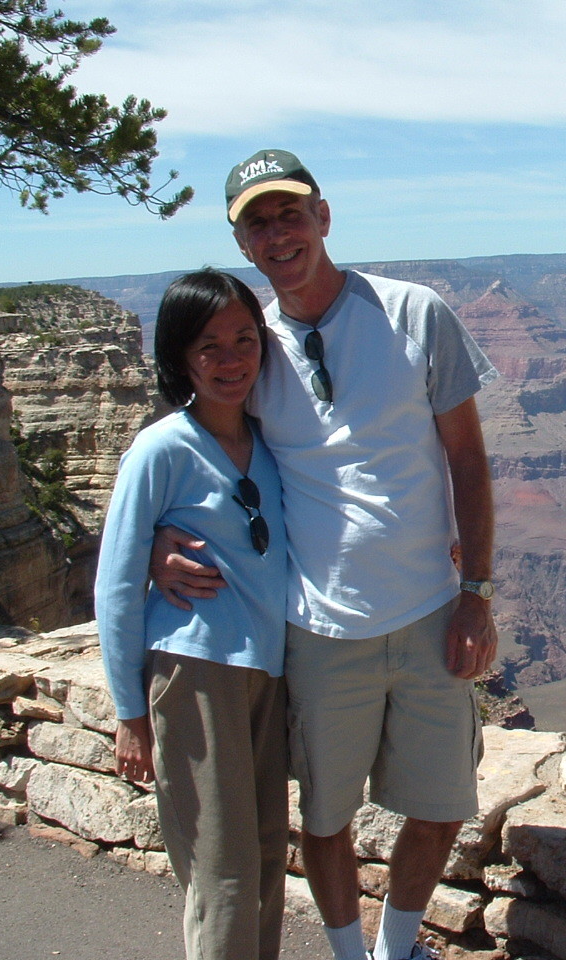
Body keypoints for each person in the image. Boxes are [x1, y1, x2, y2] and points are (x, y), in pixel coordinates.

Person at [151, 149, 499, 960]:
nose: (278, 235)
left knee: (442, 805)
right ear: (241, 242)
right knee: (324, 819)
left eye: (290, 214)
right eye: (258, 223)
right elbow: (189, 446)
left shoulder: (414, 313)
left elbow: (468, 458)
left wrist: (477, 593)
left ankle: (396, 948)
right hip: (316, 629)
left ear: (323, 217)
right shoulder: (250, 344)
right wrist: (157, 540)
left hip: (430, 612)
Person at [95, 269, 289, 960]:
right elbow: (116, 584)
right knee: (222, 871)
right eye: (209, 346)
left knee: (268, 858)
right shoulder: (160, 449)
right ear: (180, 356)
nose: (231, 359)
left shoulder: (271, 441)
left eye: (245, 339)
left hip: (267, 674)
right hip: (196, 671)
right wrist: (129, 711)